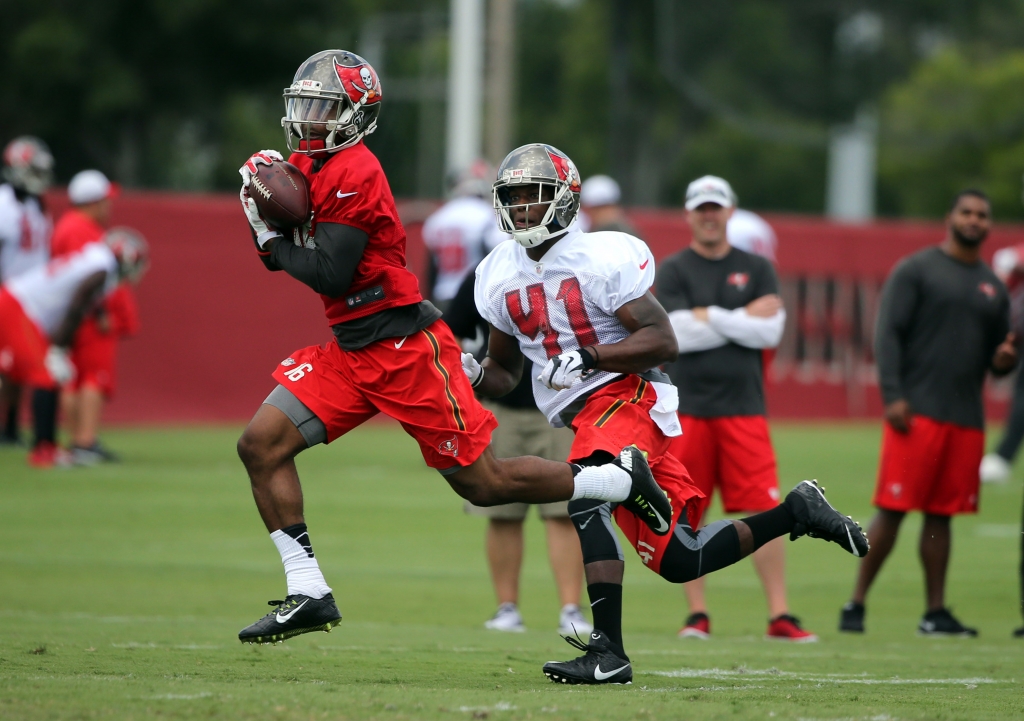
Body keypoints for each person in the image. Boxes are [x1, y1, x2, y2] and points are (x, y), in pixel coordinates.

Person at [233, 50, 676, 647]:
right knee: (260, 444)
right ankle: (308, 589)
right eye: (305, 103)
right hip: (350, 348)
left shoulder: (356, 171)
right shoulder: (305, 164)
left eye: (324, 105)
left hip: (400, 346)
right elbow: (300, 255)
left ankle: (616, 481)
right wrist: (270, 231)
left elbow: (331, 272)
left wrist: (266, 237)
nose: (309, 116)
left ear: (355, 114)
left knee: (484, 485)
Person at [468, 144, 868, 685]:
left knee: (587, 495)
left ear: (562, 200)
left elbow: (663, 340)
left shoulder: (601, 257)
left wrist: (591, 356)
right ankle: (795, 512)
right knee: (681, 560)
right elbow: (504, 372)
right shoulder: (496, 272)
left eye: (532, 197)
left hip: (630, 393)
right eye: (511, 198)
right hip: (587, 414)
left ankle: (608, 652)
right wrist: (469, 374)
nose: (520, 209)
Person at [840, 189, 1017, 637]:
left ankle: (934, 613)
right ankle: (855, 603)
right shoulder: (917, 269)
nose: (974, 220)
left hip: (965, 418)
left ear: (988, 224)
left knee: (942, 515)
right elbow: (888, 335)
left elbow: (1000, 357)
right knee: (894, 508)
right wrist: (893, 395)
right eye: (967, 212)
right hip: (916, 412)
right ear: (950, 217)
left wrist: (1006, 359)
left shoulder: (992, 287)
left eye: (982, 214)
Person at [653, 176, 810, 642]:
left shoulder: (757, 267)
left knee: (763, 507)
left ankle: (780, 613)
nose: (708, 215)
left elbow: (770, 333)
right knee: (684, 512)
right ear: (688, 214)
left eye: (715, 207)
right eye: (700, 208)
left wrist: (706, 316)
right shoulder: (676, 269)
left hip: (744, 408)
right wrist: (739, 319)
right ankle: (697, 614)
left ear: (730, 211)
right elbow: (677, 334)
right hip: (688, 410)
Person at [446, 265, 591, 635]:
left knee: (564, 510)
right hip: (501, 406)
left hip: (561, 406)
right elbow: (450, 331)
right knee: (502, 510)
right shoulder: (485, 275)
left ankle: (571, 610)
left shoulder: (574, 271)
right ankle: (507, 608)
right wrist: (469, 364)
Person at [0, 229, 148, 467]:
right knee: (46, 376)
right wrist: (58, 348)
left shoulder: (94, 257)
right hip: (21, 308)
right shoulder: (103, 267)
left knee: (25, 374)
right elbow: (78, 303)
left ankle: (45, 445)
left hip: (19, 305)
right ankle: (44, 449)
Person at [50, 170, 140, 464]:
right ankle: (84, 441)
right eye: (104, 200)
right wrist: (100, 312)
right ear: (91, 201)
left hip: (80, 316)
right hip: (89, 319)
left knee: (79, 379)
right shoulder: (79, 228)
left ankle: (80, 441)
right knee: (92, 379)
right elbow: (84, 280)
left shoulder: (72, 226)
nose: (108, 206)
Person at [0, 136, 54, 446]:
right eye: (32, 170)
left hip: (33, 298)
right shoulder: (5, 202)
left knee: (19, 367)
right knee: (9, 366)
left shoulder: (36, 205)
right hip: (10, 294)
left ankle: (9, 427)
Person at [422, 160, 504, 312]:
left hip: (443, 293)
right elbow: (497, 250)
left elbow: (432, 266)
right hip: (474, 292)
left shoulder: (438, 218)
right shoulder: (485, 214)